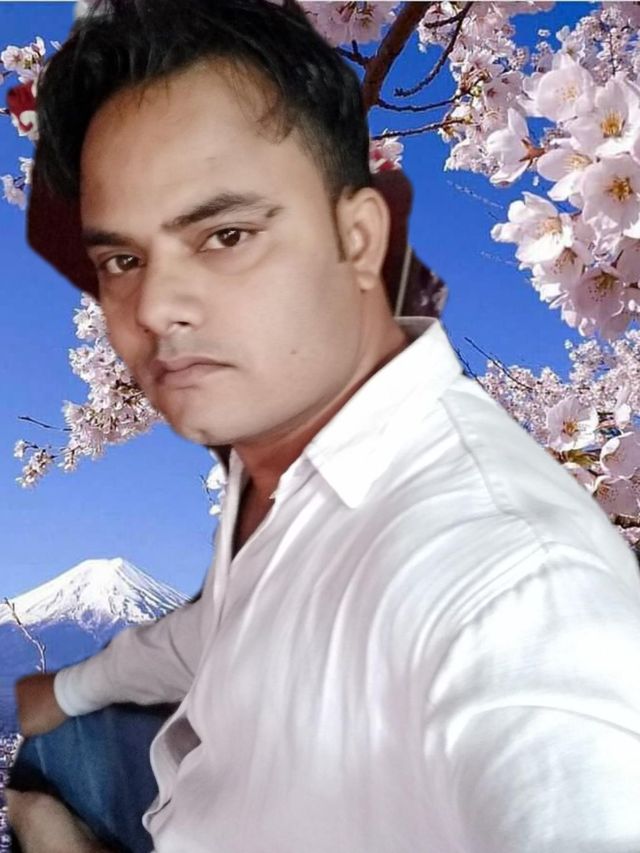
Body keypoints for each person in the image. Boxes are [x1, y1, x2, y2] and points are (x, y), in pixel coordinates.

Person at [6, 0, 640, 851]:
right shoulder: (302, 460)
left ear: (359, 238)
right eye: (122, 259)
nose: (154, 308)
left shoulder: (516, 584)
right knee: (53, 741)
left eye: (226, 234)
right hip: (191, 782)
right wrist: (64, 689)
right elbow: (217, 630)